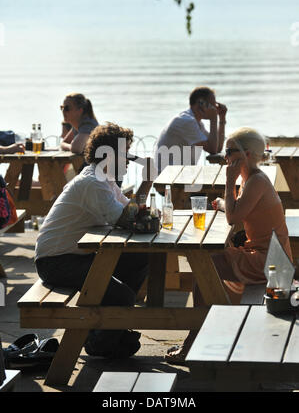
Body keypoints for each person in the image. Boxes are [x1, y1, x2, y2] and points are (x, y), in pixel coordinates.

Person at [165, 126, 293, 364]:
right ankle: (204, 334)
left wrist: (229, 181)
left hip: (270, 262)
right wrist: (226, 202)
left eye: (230, 152)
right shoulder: (253, 179)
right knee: (208, 266)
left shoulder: (256, 181)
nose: (225, 158)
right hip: (269, 256)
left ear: (247, 154)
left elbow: (234, 218)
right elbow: (239, 210)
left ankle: (195, 340)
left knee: (207, 267)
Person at [34, 122, 155, 359]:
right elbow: (128, 218)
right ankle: (100, 341)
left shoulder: (105, 179)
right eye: (126, 154)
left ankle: (108, 329)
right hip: (56, 262)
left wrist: (148, 181)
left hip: (74, 256)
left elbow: (132, 210)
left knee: (139, 258)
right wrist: (147, 179)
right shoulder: (93, 183)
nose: (129, 160)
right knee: (122, 296)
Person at [154, 86, 227, 174]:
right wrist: (213, 119)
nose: (214, 109)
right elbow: (212, 149)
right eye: (212, 105)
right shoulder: (186, 121)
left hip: (178, 174)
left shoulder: (196, 123)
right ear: (200, 103)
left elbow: (217, 148)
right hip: (168, 178)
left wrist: (222, 119)